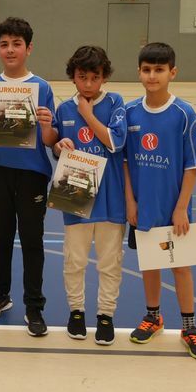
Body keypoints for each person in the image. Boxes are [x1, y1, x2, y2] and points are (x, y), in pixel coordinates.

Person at [124, 42, 196, 360]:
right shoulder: (130, 112)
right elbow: (124, 162)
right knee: (150, 264)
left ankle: (189, 327)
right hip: (143, 206)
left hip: (175, 209)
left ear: (172, 72)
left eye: (159, 70)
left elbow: (192, 165)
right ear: (139, 72)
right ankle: (153, 317)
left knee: (180, 267)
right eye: (147, 70)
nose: (152, 76)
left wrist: (181, 207)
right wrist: (130, 202)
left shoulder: (183, 114)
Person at [0, 17, 58, 336]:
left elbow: (49, 141)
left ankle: (34, 306)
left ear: (29, 48)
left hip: (32, 174)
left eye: (17, 44)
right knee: (1, 239)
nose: (10, 50)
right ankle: (1, 295)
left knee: (32, 241)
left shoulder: (42, 88)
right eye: (4, 44)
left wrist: (47, 125)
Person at [53, 45, 127, 345]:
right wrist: (59, 146)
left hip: (111, 200)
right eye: (82, 77)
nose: (88, 84)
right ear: (72, 76)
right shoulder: (63, 109)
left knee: (110, 262)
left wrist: (88, 114)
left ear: (104, 77)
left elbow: (114, 142)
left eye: (94, 78)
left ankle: (106, 315)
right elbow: (56, 144)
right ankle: (77, 312)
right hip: (76, 196)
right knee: (75, 261)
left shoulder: (116, 102)